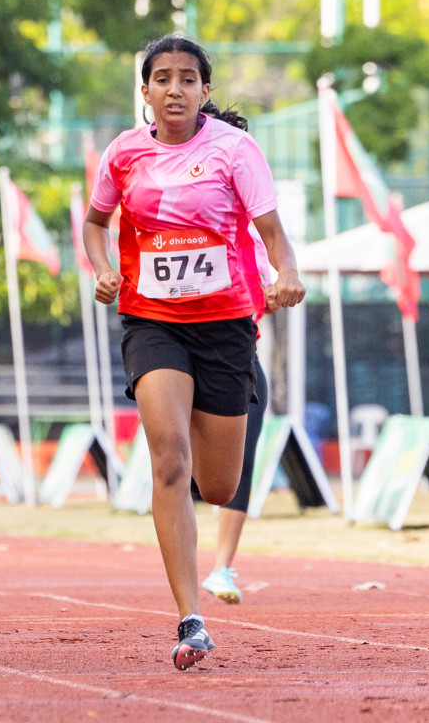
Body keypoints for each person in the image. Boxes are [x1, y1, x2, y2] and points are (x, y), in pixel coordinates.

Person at [83, 33, 304, 670]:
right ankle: (190, 618)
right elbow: (96, 223)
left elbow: (272, 233)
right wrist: (101, 268)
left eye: (187, 79)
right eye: (162, 78)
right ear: (145, 91)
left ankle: (201, 581)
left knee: (218, 481)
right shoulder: (124, 154)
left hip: (226, 324)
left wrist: (285, 273)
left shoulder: (235, 150)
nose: (174, 89)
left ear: (205, 91)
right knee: (169, 457)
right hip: (153, 321)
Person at [201, 226, 275, 605]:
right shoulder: (190, 222)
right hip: (189, 354)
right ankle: (180, 562)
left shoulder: (256, 235)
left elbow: (266, 293)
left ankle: (221, 567)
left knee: (242, 463)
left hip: (242, 358)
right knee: (185, 464)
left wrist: (274, 292)